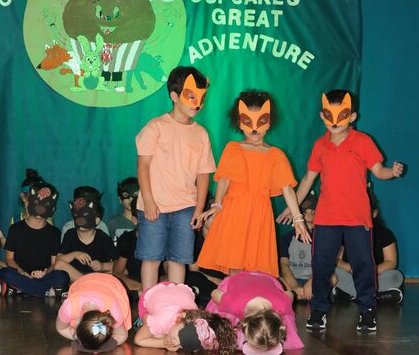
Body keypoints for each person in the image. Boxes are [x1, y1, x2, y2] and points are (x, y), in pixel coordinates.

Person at [278, 90, 404, 333]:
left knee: (363, 264)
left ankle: (367, 311)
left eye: (341, 115)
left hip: (357, 218)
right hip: (326, 218)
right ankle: (318, 310)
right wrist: (291, 207)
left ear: (352, 116)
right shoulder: (320, 145)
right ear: (322, 116)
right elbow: (307, 179)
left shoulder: (363, 141)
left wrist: (392, 171)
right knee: (321, 264)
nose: (335, 121)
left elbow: (379, 170)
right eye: (329, 115)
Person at [197, 90, 309, 277]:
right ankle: (233, 295)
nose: (255, 129)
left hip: (259, 214)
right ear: (239, 122)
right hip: (234, 212)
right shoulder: (233, 148)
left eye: (261, 121)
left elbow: (287, 188)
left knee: (256, 269)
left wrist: (298, 218)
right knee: (234, 264)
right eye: (248, 122)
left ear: (269, 122)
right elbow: (224, 179)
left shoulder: (276, 155)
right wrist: (217, 205)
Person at [135, 65, 215, 291]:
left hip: (186, 207)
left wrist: (199, 208)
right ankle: (147, 305)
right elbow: (143, 165)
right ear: (174, 96)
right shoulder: (156, 126)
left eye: (201, 98)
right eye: (191, 97)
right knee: (151, 258)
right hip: (156, 206)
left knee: (179, 260)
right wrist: (148, 200)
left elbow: (204, 174)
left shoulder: (201, 133)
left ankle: (176, 306)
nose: (198, 104)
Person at [206, 271, 304, 355]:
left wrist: (286, 299)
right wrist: (224, 300)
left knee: (286, 312)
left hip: (269, 280)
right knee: (220, 308)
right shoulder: (234, 304)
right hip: (239, 278)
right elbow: (214, 293)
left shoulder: (282, 305)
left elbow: (290, 293)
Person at [334, 188, 404, 305]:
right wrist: (349, 267)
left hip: (375, 275)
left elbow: (391, 262)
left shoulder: (384, 233)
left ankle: (351, 294)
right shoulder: (345, 232)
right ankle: (375, 296)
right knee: (335, 273)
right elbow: (337, 260)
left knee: (396, 276)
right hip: (351, 274)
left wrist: (372, 270)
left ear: (374, 213)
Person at [0, 182, 69, 296]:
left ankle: (21, 289)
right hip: (20, 274)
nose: (40, 207)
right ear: (28, 202)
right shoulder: (16, 229)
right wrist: (21, 272)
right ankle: (43, 291)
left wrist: (45, 273)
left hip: (43, 276)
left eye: (46, 203)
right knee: (4, 273)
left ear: (52, 208)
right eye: (36, 201)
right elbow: (9, 259)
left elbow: (54, 263)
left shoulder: (54, 233)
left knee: (62, 276)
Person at [134, 281, 236, 355]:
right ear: (179, 319)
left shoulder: (196, 318)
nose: (175, 343)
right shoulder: (161, 320)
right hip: (152, 292)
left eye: (181, 345)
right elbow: (139, 340)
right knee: (157, 333)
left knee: (162, 332)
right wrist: (163, 342)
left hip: (181, 290)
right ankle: (147, 320)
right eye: (177, 337)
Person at [55, 273, 131, 351]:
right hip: (84, 281)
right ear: (77, 322)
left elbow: (122, 335)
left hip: (112, 285)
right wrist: (77, 337)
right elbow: (61, 329)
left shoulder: (113, 309)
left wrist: (102, 345)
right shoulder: (69, 307)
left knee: (120, 319)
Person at [55, 196, 117, 283]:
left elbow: (118, 265)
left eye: (86, 215)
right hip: (75, 278)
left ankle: (87, 282)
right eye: (77, 215)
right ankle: (86, 282)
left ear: (96, 220)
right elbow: (58, 260)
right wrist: (74, 254)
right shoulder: (70, 234)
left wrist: (102, 266)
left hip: (96, 278)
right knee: (58, 264)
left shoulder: (103, 238)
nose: (80, 220)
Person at [279, 192, 320, 301]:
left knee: (332, 277)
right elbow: (284, 265)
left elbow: (323, 265)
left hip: (312, 281)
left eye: (313, 213)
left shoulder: (321, 239)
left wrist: (311, 282)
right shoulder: (286, 238)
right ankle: (296, 294)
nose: (310, 216)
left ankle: (307, 295)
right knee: (277, 281)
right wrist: (294, 286)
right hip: (292, 280)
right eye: (305, 213)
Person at [107, 177, 139, 242]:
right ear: (120, 199)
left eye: (135, 195)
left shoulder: (145, 221)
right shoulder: (113, 223)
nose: (131, 199)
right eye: (126, 195)